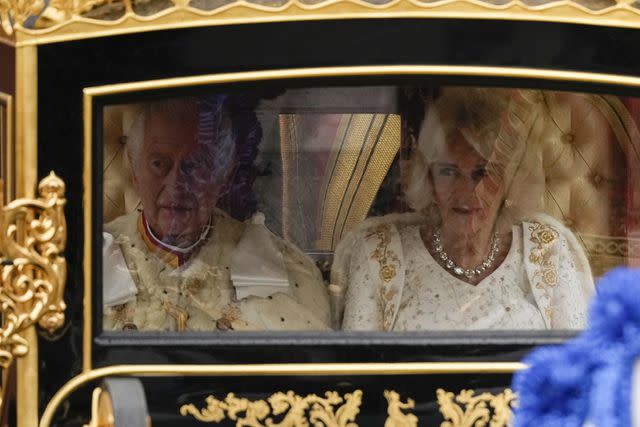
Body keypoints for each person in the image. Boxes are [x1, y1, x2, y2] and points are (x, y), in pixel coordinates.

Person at [334, 87, 594, 331]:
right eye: (448, 171)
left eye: (483, 172)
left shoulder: (548, 249)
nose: (467, 191)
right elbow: (358, 369)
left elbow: (580, 365)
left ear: (511, 181)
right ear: (429, 179)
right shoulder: (378, 254)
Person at [103, 96, 331, 331]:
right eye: (159, 164)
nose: (176, 184)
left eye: (193, 165)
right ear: (135, 171)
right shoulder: (93, 260)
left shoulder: (290, 269)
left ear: (224, 177)